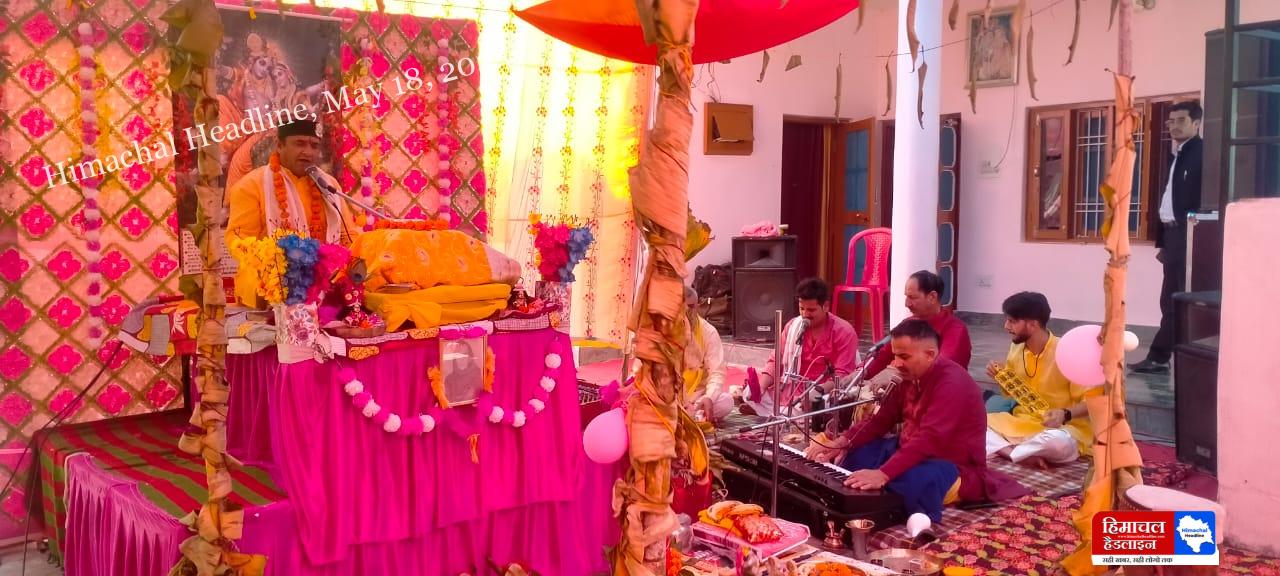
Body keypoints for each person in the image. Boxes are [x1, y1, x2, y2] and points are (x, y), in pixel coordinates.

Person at [804, 320, 1027, 523]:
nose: (896, 363)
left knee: (912, 481)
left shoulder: (952, 384)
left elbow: (930, 439)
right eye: (895, 356)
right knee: (855, 454)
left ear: (930, 354)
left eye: (904, 357)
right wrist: (841, 442)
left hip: (949, 464)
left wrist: (883, 473)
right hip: (910, 449)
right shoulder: (909, 377)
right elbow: (880, 420)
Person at [226, 120, 358, 306]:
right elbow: (239, 240)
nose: (308, 152)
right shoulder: (250, 186)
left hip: (325, 281)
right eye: (300, 143)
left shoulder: (328, 186)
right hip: (271, 283)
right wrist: (278, 260)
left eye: (314, 146)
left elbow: (348, 236)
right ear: (279, 146)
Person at [984, 292, 1101, 468]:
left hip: (1060, 430)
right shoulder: (1016, 349)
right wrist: (1001, 377)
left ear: (1033, 325)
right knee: (972, 423)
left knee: (1057, 443)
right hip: (1022, 423)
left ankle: (1010, 451)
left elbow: (1093, 402)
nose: (1006, 326)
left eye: (1012, 321)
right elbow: (1013, 395)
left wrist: (1065, 414)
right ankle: (1019, 454)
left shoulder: (1067, 352)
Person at [1131, 100, 1203, 375]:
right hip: (1173, 235)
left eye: (1181, 120)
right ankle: (1164, 356)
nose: (1174, 126)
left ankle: (1160, 356)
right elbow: (1167, 201)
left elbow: (1199, 201)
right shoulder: (1176, 155)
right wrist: (1163, 243)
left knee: (1176, 299)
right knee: (1168, 299)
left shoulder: (1201, 154)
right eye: (1171, 121)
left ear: (1196, 123)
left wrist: (1190, 238)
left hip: (1190, 234)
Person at [742, 278, 859, 415]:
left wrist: (817, 391)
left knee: (827, 404)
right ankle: (783, 414)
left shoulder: (844, 332)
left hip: (822, 391)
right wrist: (761, 387)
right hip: (790, 390)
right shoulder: (793, 326)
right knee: (749, 393)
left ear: (826, 306)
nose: (805, 314)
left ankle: (780, 414)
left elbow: (842, 375)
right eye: (801, 309)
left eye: (811, 310)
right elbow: (776, 361)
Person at [859, 270, 972, 395]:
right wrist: (861, 372)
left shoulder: (955, 329)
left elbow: (941, 366)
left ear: (932, 297)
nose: (907, 304)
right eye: (906, 297)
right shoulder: (908, 323)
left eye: (912, 297)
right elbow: (883, 354)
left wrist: (895, 371)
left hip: (942, 395)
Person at [682, 285, 733, 421]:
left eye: (691, 307)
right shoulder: (665, 328)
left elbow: (717, 372)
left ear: (697, 306)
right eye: (683, 307)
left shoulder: (708, 331)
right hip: (669, 396)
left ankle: (691, 414)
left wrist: (709, 397)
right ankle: (691, 416)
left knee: (726, 402)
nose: (687, 312)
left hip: (695, 397)